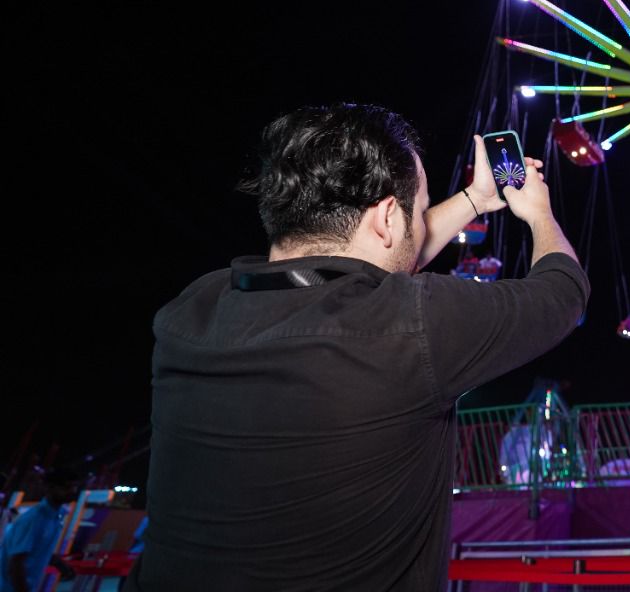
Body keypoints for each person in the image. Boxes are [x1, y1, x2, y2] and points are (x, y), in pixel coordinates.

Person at [125, 103, 588, 591]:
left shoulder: (191, 312)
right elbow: (563, 292)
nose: (422, 221)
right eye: (418, 208)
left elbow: (364, 266)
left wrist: (475, 198)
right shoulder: (416, 326)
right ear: (389, 216)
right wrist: (538, 213)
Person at [1, 469, 79, 592]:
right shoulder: (34, 519)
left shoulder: (55, 517)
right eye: (67, 487)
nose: (72, 491)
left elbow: (36, 550)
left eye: (74, 487)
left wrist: (60, 564)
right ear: (49, 488)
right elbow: (15, 563)